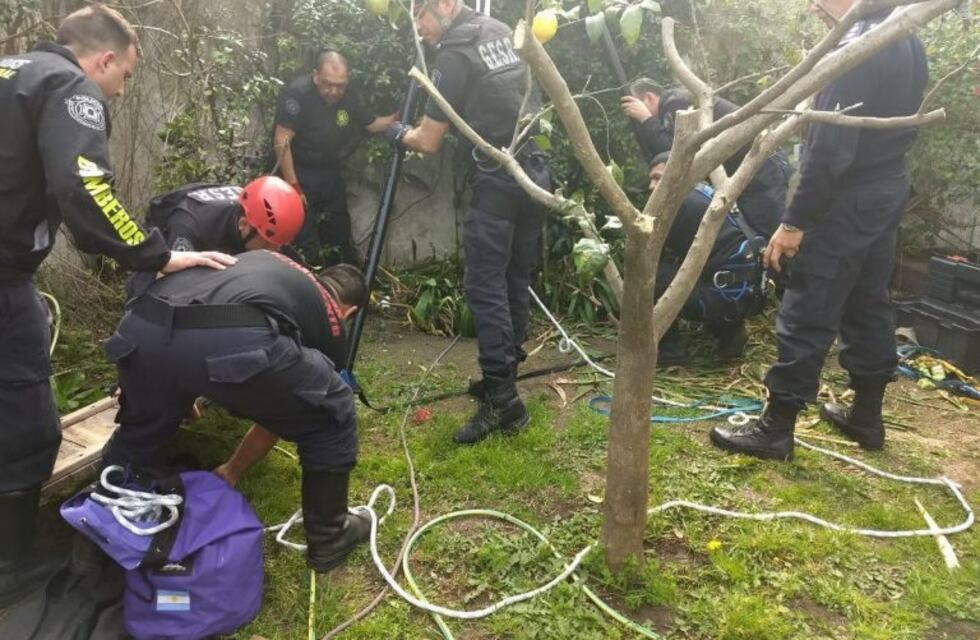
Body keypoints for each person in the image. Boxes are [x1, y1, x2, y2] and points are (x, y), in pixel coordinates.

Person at [0, 3, 235, 607]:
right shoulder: (69, 85)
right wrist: (153, 255)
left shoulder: (10, 70)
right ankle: (11, 566)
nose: (122, 88)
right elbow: (84, 186)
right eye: (125, 76)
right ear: (104, 59)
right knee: (28, 427)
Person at [710, 0, 928, 460]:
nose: (811, 5)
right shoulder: (906, 34)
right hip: (887, 185)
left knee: (810, 303)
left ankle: (776, 429)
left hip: (845, 197)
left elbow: (827, 151)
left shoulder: (854, 49)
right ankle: (867, 417)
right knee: (869, 299)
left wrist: (794, 222)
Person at [102, 251, 369, 572]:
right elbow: (289, 410)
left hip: (140, 325)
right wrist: (232, 470)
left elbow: (194, 321)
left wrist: (174, 396)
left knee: (138, 435)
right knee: (333, 409)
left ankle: (98, 532)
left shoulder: (271, 261)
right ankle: (330, 537)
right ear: (349, 311)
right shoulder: (330, 318)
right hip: (226, 337)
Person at [389, 0, 552, 445]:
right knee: (515, 279)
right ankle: (504, 379)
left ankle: (503, 402)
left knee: (485, 285)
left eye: (420, 15)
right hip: (536, 169)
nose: (419, 28)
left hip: (499, 177)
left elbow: (428, 140)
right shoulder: (499, 29)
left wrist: (396, 133)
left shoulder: (454, 53)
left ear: (445, 5)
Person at [621, 78, 792, 239]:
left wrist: (646, 119)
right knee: (755, 231)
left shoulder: (676, 103)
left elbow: (675, 156)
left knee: (769, 232)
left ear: (649, 98)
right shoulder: (677, 101)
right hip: (751, 170)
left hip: (762, 167)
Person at [273, 51, 397, 267]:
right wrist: (294, 186)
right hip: (297, 170)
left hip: (328, 170)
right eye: (328, 84)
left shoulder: (349, 95)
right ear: (316, 76)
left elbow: (371, 124)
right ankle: (309, 287)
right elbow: (282, 140)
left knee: (339, 233)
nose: (334, 91)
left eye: (340, 85)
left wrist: (400, 117)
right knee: (304, 242)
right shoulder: (298, 93)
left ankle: (342, 286)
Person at [649, 153, 770, 365]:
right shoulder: (707, 193)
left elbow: (648, 256)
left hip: (724, 298)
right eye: (650, 179)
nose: (651, 186)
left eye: (658, 178)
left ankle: (670, 356)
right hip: (753, 296)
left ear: (678, 174)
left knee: (648, 278)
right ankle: (730, 332)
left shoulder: (677, 204)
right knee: (708, 269)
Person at [126, 176, 305, 297]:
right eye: (267, 245)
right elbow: (168, 284)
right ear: (244, 224)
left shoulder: (257, 220)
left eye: (279, 245)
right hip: (167, 245)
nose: (273, 251)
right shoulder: (190, 226)